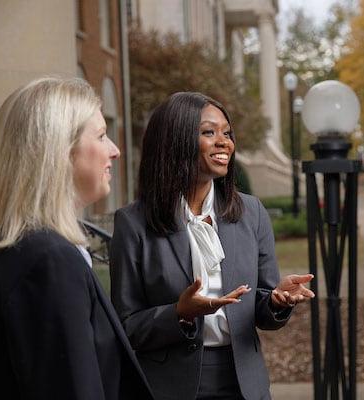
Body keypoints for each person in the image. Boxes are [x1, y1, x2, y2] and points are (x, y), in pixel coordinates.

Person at [0, 78, 155, 400]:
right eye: (102, 135)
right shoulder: (47, 261)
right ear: (60, 150)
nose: (115, 151)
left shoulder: (7, 246)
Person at [110, 91, 315, 399]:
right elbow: (126, 327)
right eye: (209, 132)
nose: (224, 142)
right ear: (174, 140)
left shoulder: (251, 212)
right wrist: (179, 313)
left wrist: (276, 300)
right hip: (169, 386)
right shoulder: (133, 223)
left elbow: (261, 305)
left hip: (244, 383)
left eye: (227, 133)